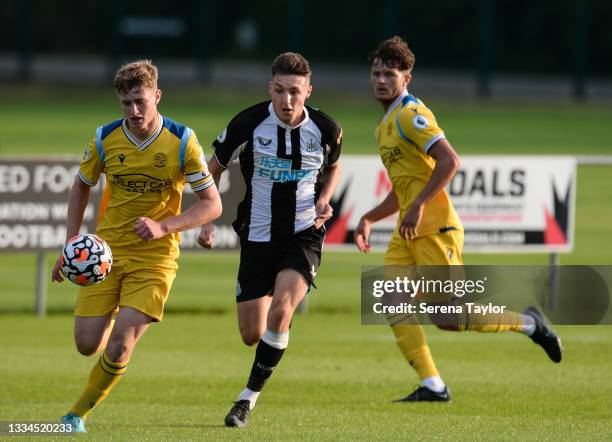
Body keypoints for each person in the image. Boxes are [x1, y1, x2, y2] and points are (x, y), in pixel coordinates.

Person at [354, 36, 563, 402]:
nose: (381, 80)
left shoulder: (410, 115)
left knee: (449, 317)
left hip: (435, 228)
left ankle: (531, 324)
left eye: (390, 73)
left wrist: (419, 205)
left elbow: (450, 161)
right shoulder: (384, 125)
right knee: (391, 300)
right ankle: (433, 384)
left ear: (407, 78)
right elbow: (402, 189)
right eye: (376, 73)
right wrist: (370, 218)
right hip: (409, 232)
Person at [51, 59, 222, 432]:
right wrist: (71, 246)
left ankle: (75, 415)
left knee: (121, 343)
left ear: (157, 96)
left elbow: (212, 204)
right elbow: (81, 185)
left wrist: (165, 226)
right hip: (106, 254)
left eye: (141, 102)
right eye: (126, 103)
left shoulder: (182, 141)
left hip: (156, 258)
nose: (134, 111)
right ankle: (120, 314)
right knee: (86, 344)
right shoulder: (105, 138)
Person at [198, 52, 342, 427]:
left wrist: (325, 198)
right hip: (257, 236)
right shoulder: (247, 123)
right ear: (270, 88)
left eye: (295, 91)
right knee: (251, 334)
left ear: (308, 91)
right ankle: (278, 332)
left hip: (303, 234)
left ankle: (246, 400)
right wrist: (206, 219)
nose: (287, 100)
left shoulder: (327, 129)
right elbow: (212, 169)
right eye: (279, 90)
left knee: (281, 310)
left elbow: (336, 165)